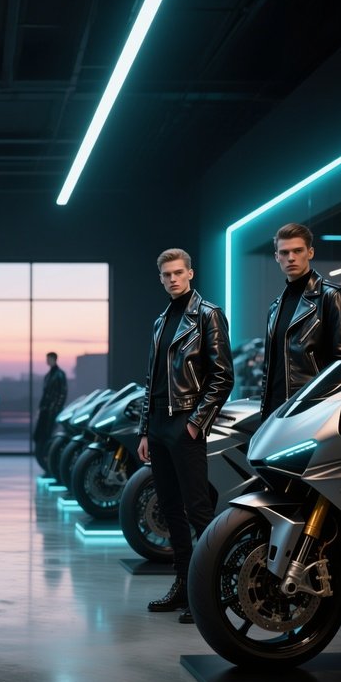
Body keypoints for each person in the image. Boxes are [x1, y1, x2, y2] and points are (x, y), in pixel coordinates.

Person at [137, 248, 234, 623]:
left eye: (179, 273)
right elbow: (151, 381)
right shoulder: (161, 321)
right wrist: (145, 429)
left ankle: (208, 591)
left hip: (185, 423)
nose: (173, 279)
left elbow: (222, 375)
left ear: (190, 273)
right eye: (166, 275)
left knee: (198, 509)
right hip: (159, 425)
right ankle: (182, 585)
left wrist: (196, 423)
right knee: (170, 508)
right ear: (160, 278)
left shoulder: (208, 315)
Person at [260, 222, 341, 420]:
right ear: (276, 257)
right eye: (285, 252)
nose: (291, 257)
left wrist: (327, 411)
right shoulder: (275, 308)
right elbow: (269, 369)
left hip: (311, 410)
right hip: (275, 412)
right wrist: (265, 414)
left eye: (298, 251)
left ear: (310, 253)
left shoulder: (332, 296)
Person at [33, 352, 68, 470]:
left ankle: (49, 463)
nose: (46, 361)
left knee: (46, 436)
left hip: (51, 412)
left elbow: (62, 394)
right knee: (41, 437)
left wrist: (55, 410)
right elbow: (46, 395)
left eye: (48, 358)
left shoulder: (59, 375)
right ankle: (46, 463)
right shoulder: (50, 375)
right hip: (46, 411)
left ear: (53, 359)